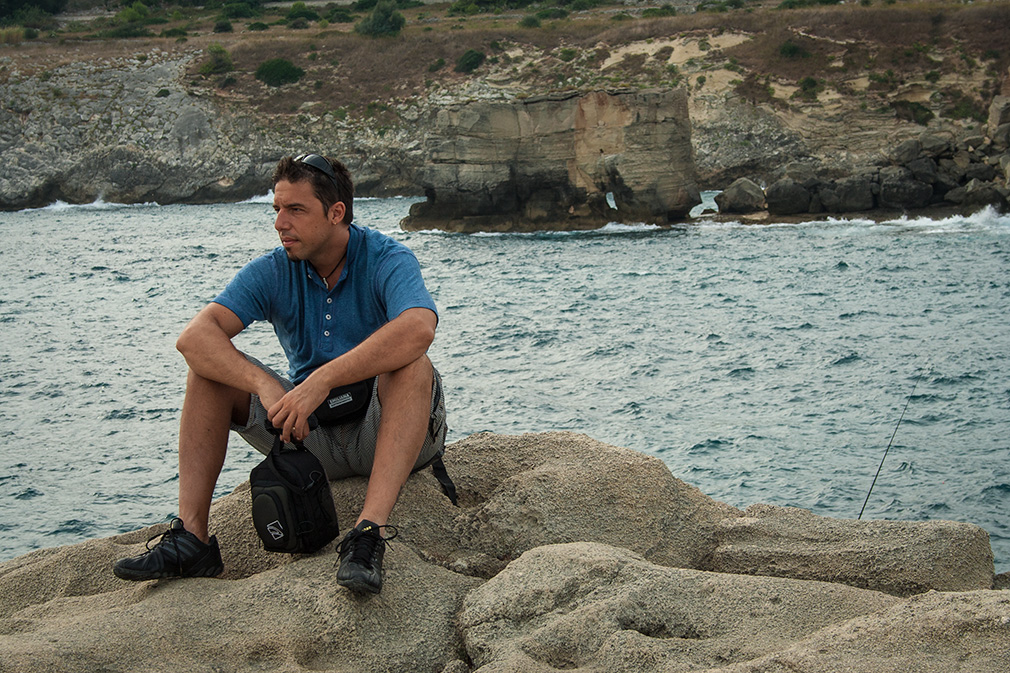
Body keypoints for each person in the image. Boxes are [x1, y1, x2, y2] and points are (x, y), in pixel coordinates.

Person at [113, 153, 448, 594]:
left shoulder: (387, 258)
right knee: (207, 373)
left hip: (384, 428)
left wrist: (322, 380)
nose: (279, 223)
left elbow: (419, 328)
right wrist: (265, 385)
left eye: (295, 210)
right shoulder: (275, 269)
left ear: (336, 213)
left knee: (412, 365)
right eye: (276, 209)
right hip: (310, 433)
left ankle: (368, 533)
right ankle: (193, 538)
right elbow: (194, 338)